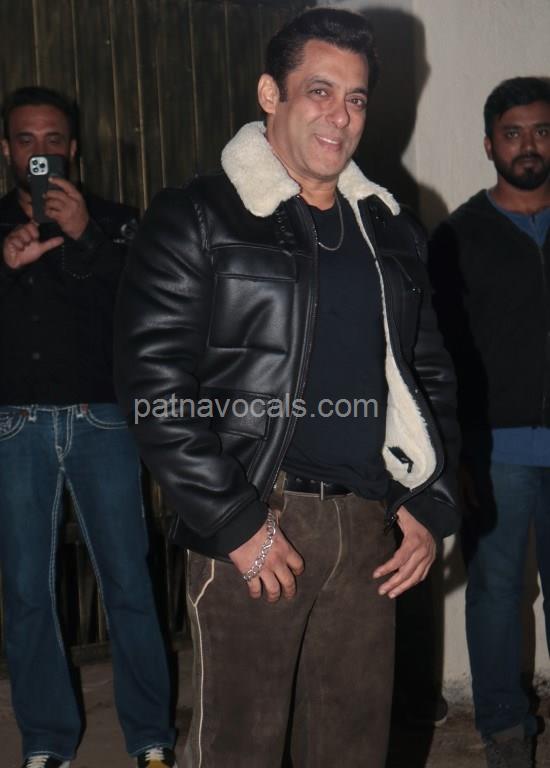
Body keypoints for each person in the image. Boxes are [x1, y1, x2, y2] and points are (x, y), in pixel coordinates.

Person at [115, 9, 460, 767]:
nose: (340, 115)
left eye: (357, 98)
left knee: (352, 751)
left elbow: (429, 372)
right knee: (237, 749)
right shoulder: (198, 215)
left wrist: (430, 501)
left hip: (367, 526)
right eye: (319, 91)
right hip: (258, 518)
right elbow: (151, 383)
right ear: (271, 94)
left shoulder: (390, 230)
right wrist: (233, 521)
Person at [0, 86, 177, 768]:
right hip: (16, 426)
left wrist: (86, 238)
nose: (39, 152)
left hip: (103, 423)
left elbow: (145, 308)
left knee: (128, 581)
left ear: (72, 148)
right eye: (26, 140)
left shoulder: (116, 222)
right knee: (26, 591)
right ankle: (46, 741)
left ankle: (151, 736)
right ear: (7, 150)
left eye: (53, 140)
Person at [429, 77, 550, 768]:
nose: (528, 145)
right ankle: (505, 732)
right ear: (489, 144)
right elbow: (440, 354)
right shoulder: (459, 235)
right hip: (494, 452)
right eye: (513, 132)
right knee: (497, 595)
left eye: (541, 131)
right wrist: (456, 455)